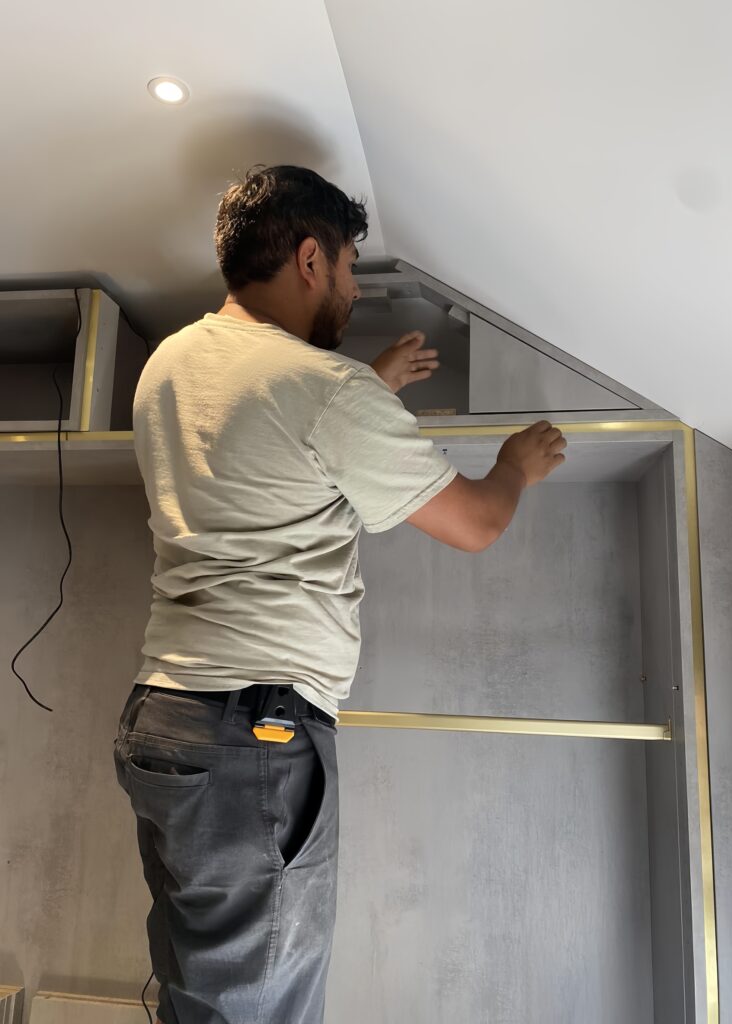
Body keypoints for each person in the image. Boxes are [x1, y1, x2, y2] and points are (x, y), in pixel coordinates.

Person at [113, 165, 566, 1024]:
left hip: (168, 717)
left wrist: (371, 388)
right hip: (253, 735)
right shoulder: (324, 390)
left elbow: (264, 452)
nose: (356, 289)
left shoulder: (171, 361)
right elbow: (474, 524)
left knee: (205, 993)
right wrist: (513, 467)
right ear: (311, 258)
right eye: (353, 266)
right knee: (253, 1006)